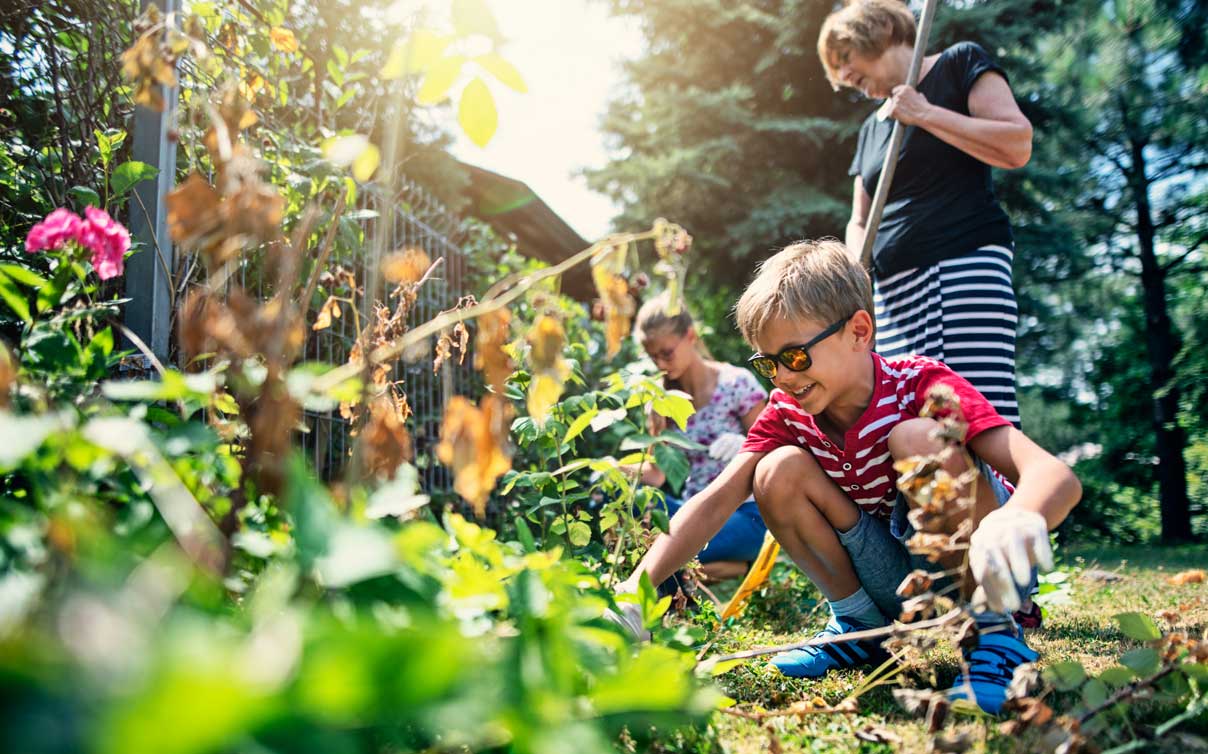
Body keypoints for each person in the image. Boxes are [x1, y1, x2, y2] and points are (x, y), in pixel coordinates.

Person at [610, 240, 1080, 714]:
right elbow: (715, 500)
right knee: (774, 471)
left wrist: (1017, 518)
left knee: (914, 439)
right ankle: (859, 626)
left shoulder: (921, 385)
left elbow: (1053, 474)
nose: (782, 378)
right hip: (897, 578)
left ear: (859, 331)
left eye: (794, 356)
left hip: (983, 561)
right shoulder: (788, 413)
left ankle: (997, 634)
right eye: (767, 363)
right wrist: (636, 589)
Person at [819, 0, 1033, 429]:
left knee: (974, 415)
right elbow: (859, 219)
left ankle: (1006, 495)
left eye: (845, 60)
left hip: (962, 264)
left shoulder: (959, 63)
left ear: (875, 31)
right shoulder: (872, 127)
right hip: (894, 294)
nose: (844, 79)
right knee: (914, 423)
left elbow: (1016, 143)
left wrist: (924, 114)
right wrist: (854, 278)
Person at [631, 292, 769, 583]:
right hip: (690, 513)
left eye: (666, 353)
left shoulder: (735, 383)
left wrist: (745, 446)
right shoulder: (662, 402)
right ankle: (728, 569)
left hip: (743, 512)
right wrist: (609, 473)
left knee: (657, 555)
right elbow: (657, 475)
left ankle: (672, 568)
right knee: (628, 505)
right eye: (652, 356)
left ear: (690, 336)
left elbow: (778, 449)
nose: (660, 364)